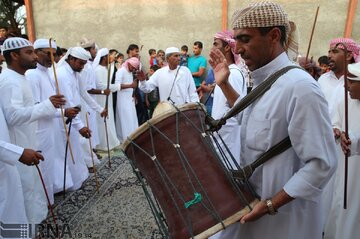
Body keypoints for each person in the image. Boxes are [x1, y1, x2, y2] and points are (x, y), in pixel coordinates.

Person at [208, 2, 337, 238]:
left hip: (284, 220)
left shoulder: (300, 87)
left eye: (245, 39)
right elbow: (253, 116)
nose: (238, 49)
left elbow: (322, 163)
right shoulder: (268, 80)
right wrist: (224, 84)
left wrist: (271, 204)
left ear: (274, 36)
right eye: (236, 40)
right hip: (253, 207)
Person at [0, 37, 66, 224]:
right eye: (29, 52)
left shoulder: (19, 78)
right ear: (14, 55)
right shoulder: (8, 81)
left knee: (32, 189)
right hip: (16, 146)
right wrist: (47, 105)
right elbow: (12, 116)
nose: (35, 56)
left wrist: (48, 104)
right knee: (24, 193)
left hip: (26, 141)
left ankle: (33, 228)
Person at [25, 39, 78, 202]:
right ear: (36, 53)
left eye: (53, 54)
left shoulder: (48, 72)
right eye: (46, 53)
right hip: (39, 129)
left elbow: (51, 103)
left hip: (52, 126)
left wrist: (62, 109)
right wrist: (63, 112)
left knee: (54, 160)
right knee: (45, 165)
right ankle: (44, 201)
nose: (51, 58)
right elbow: (35, 107)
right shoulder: (32, 75)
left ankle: (53, 192)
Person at [208, 30, 247, 239]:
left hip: (229, 136)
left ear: (226, 48)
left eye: (216, 43)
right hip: (219, 135)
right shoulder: (226, 70)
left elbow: (235, 109)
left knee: (228, 185)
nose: (212, 46)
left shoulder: (235, 72)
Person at [324, 62, 360, 239]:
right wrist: (338, 131)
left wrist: (355, 141)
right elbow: (336, 120)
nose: (346, 85)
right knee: (340, 205)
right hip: (344, 165)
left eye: (352, 81)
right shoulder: (346, 99)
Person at [55, 46, 95, 189]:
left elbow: (83, 93)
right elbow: (68, 103)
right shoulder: (62, 74)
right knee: (69, 151)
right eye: (80, 63)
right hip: (64, 119)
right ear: (71, 59)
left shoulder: (74, 73)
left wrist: (99, 108)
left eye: (84, 64)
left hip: (74, 116)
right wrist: (80, 126)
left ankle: (79, 177)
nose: (82, 67)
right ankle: (71, 182)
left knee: (76, 149)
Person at [0, 103, 44, 224]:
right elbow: (13, 116)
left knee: (13, 207)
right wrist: (18, 153)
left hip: (6, 163)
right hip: (7, 156)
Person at [318, 38, 360, 117]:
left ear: (348, 55)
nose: (329, 56)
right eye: (329, 52)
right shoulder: (323, 79)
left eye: (335, 52)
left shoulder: (357, 83)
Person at [93, 48, 120, 150]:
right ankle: (103, 144)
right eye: (109, 55)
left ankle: (111, 141)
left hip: (107, 97)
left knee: (109, 118)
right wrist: (117, 87)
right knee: (101, 120)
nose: (111, 57)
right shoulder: (98, 69)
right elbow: (99, 85)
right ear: (104, 57)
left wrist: (113, 87)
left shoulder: (106, 69)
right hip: (100, 98)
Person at [115, 57, 140, 142]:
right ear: (129, 63)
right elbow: (116, 86)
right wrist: (130, 86)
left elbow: (132, 86)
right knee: (125, 119)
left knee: (132, 118)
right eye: (133, 67)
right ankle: (126, 139)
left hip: (130, 99)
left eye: (135, 68)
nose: (133, 69)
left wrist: (134, 95)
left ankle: (133, 137)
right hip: (122, 99)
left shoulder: (130, 72)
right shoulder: (121, 71)